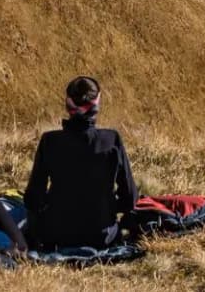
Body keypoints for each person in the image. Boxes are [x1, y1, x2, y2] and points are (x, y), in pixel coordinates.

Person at [22, 75, 136, 251]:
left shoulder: (49, 141)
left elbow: (33, 198)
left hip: (56, 235)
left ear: (68, 105)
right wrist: (107, 207)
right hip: (102, 236)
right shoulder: (112, 140)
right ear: (97, 104)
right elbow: (130, 198)